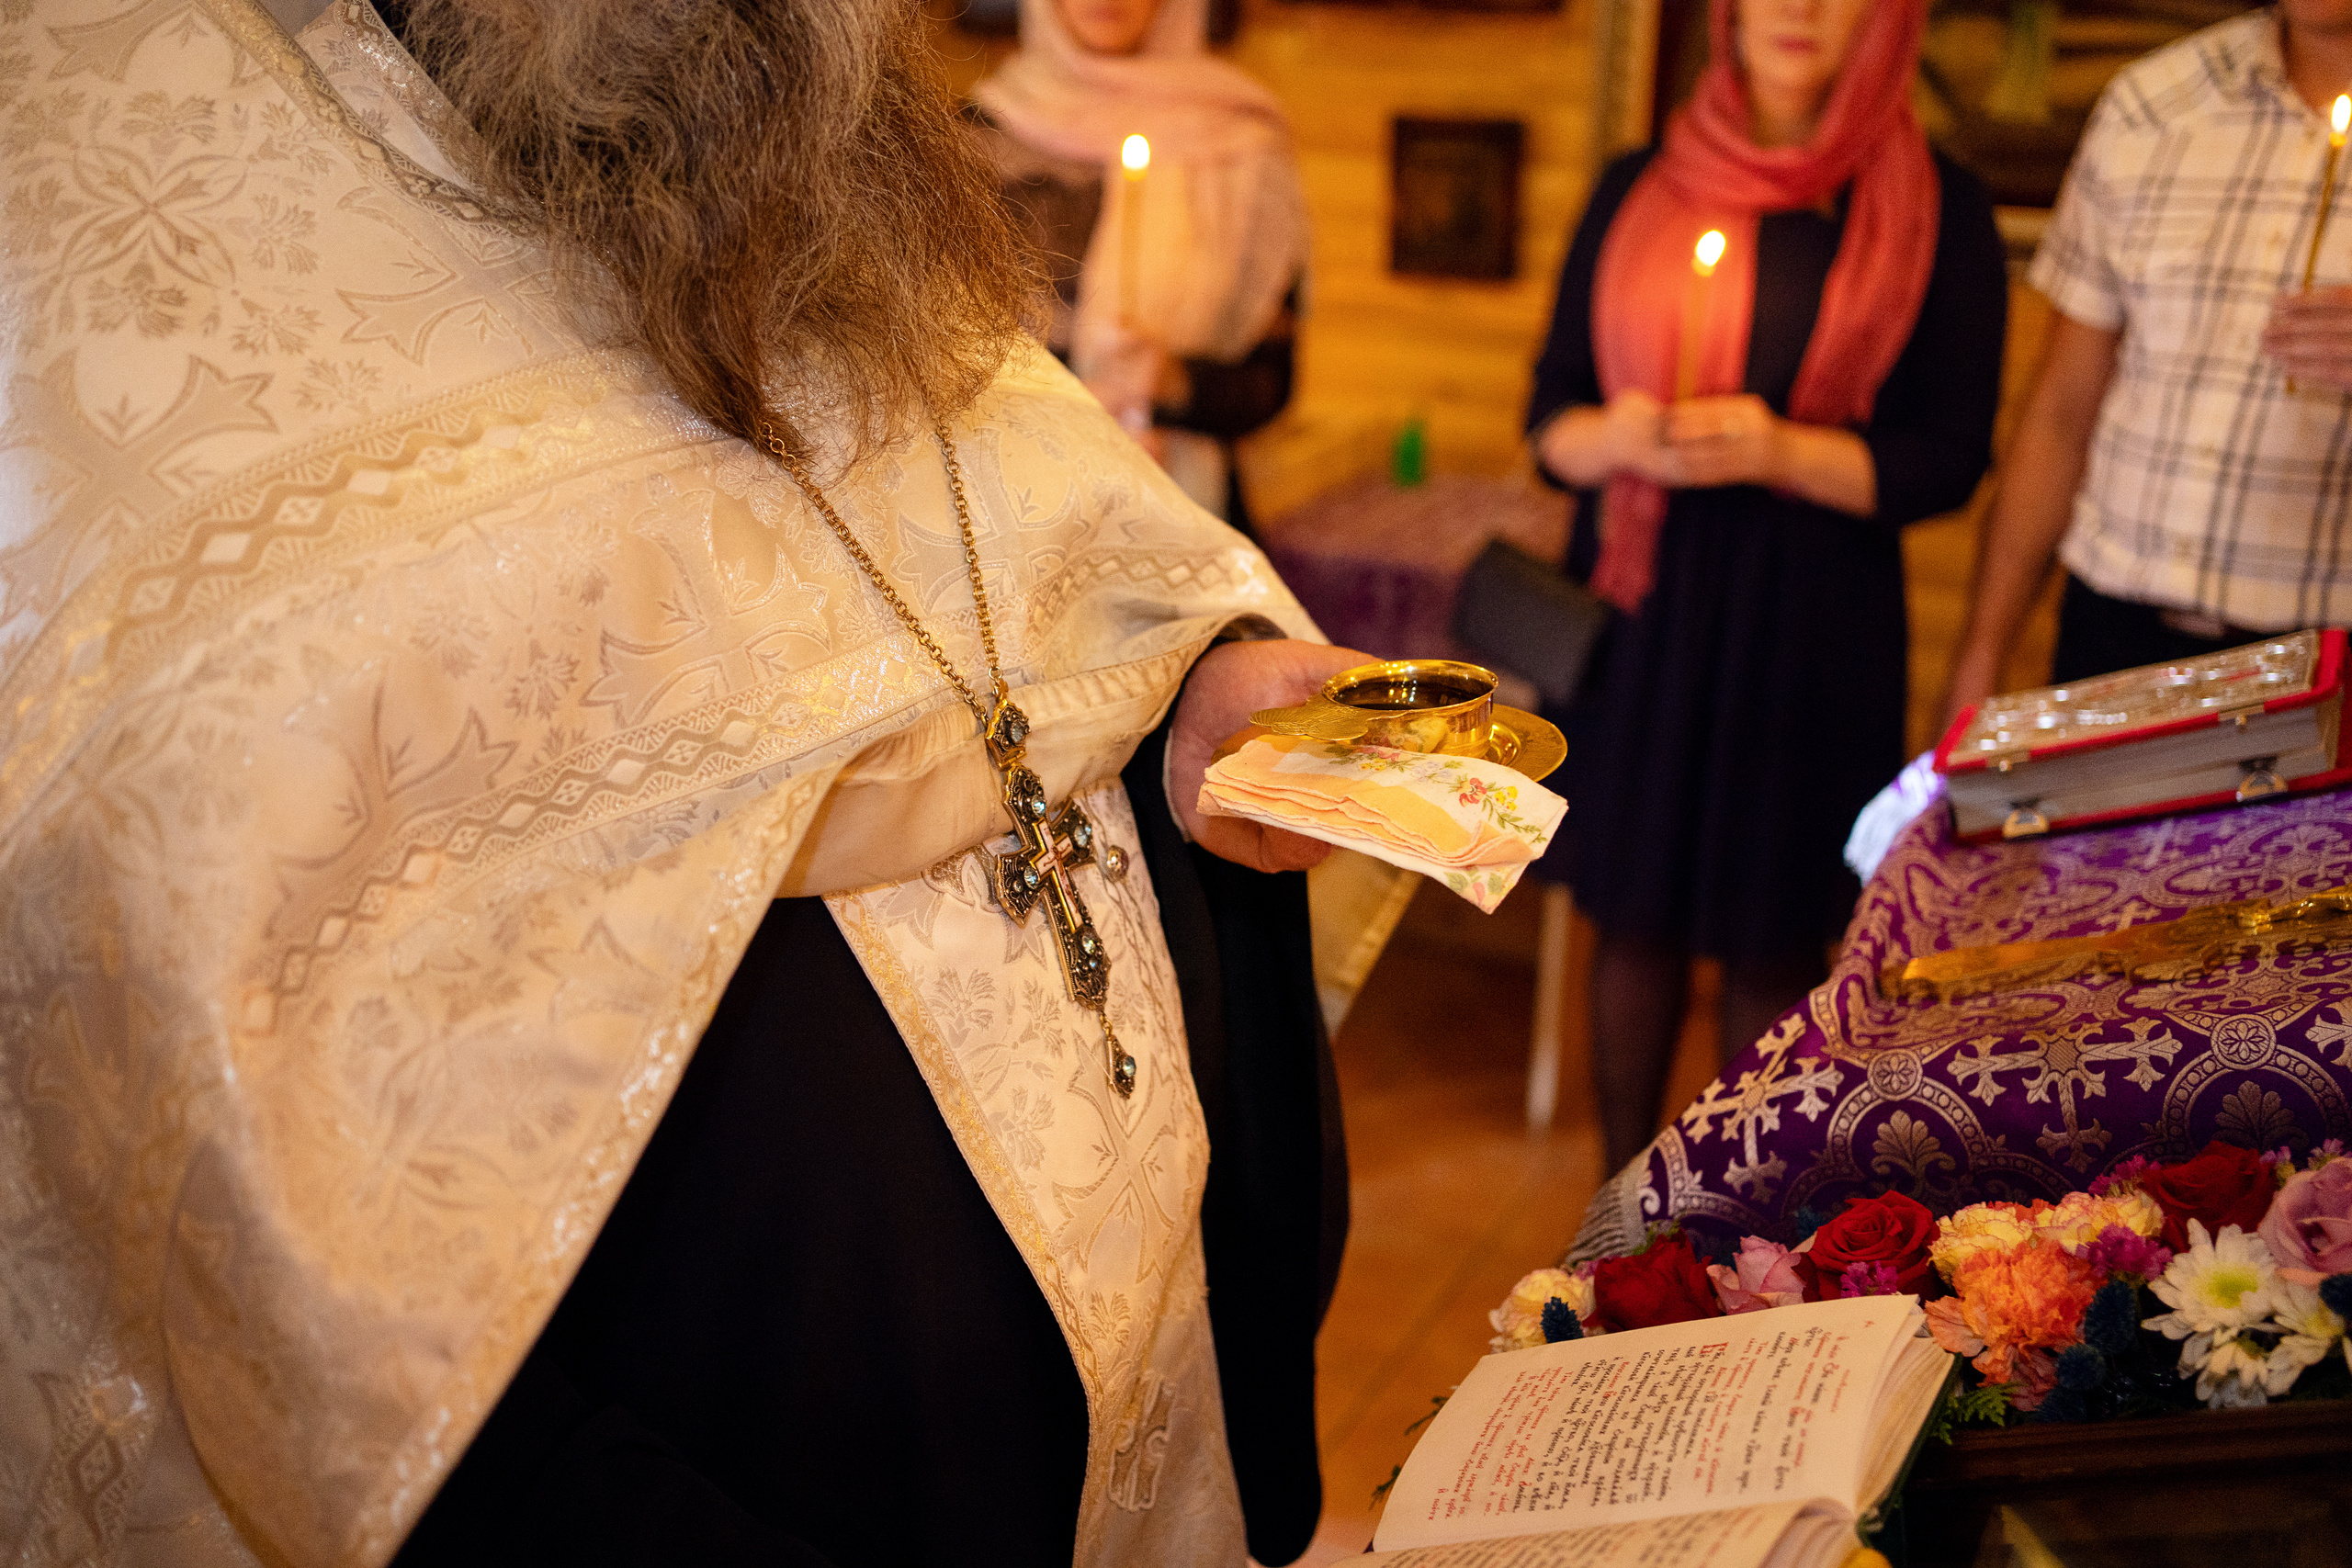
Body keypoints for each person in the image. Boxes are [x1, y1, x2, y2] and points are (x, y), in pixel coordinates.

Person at [0, 1, 1356, 1563]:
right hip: (674, 1425)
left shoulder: (795, 130)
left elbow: (1026, 485)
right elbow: (149, 894)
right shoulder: (129, 152)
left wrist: (1185, 679)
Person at [1524, 0, 2007, 1171]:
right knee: (1629, 915)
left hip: (1810, 623)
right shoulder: (1638, 185)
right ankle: (1612, 1215)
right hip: (1646, 610)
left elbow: (1945, 459)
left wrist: (1778, 450)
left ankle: (1738, 1228)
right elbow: (1551, 422)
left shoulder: (1938, 209)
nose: (1798, 7)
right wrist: (1626, 437)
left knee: (1773, 935)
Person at [1947, 0, 2352, 712]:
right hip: (2113, 640)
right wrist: (1981, 656)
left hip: (2327, 668)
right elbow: (2060, 414)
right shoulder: (2155, 103)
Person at [965, 0, 1309, 534]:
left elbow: (1273, 380)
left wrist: (1172, 384)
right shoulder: (976, 143)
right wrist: (1076, 418)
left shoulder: (1244, 144)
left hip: (1193, 517)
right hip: (1017, 523)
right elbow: (940, 368)